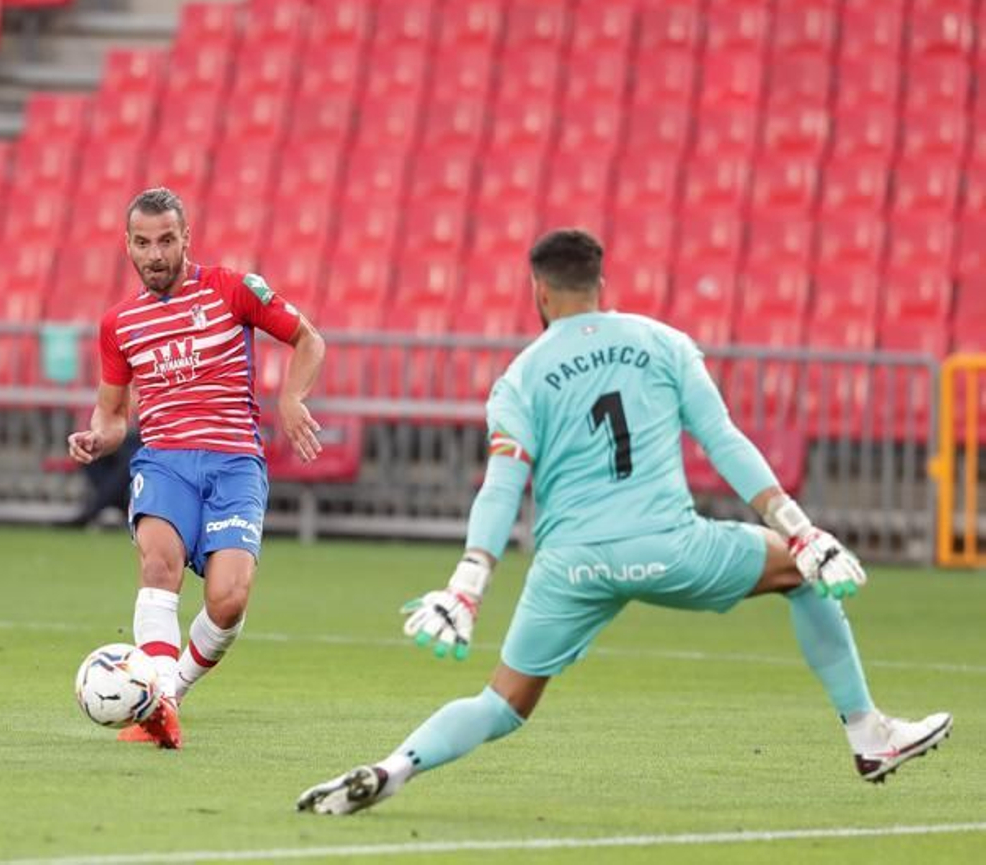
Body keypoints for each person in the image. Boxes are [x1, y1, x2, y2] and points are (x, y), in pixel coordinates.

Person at [296, 229, 951, 813]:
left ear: (539, 291)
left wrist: (469, 584)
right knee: (798, 573)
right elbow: (723, 440)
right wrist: (800, 529)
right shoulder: (663, 343)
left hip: (572, 567)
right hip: (673, 548)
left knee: (500, 704)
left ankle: (396, 766)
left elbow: (503, 485)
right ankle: (868, 734)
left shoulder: (520, 378)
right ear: (600, 285)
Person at [67, 187, 326, 749]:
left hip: (235, 464)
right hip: (164, 462)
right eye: (142, 243)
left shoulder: (234, 289)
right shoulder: (119, 325)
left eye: (165, 240)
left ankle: (170, 693)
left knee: (229, 599)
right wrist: (98, 437)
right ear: (127, 246)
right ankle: (155, 710)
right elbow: (112, 416)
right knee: (159, 565)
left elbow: (308, 339)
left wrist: (291, 398)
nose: (154, 254)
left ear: (187, 238)